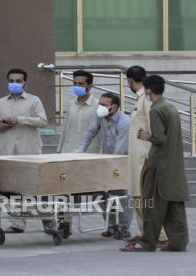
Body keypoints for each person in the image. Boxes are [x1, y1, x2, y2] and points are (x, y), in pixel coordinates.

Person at [122, 75, 189, 252]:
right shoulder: (171, 107)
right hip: (174, 164)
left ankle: (147, 242)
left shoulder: (156, 110)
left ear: (149, 90)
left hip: (159, 165)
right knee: (175, 206)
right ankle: (178, 242)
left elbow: (159, 139)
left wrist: (146, 136)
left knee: (151, 206)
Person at [0, 68, 48, 233]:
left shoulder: (34, 101)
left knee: (36, 188)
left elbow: (43, 122)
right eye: (11, 81)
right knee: (9, 188)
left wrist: (19, 119)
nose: (14, 84)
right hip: (7, 152)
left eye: (18, 81)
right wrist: (0, 125)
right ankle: (17, 222)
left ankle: (48, 221)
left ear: (25, 83)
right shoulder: (1, 102)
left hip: (29, 152)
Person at [78, 92, 132, 239]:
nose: (100, 107)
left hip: (121, 161)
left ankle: (124, 227)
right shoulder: (100, 116)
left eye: (104, 105)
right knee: (99, 194)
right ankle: (111, 225)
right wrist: (81, 149)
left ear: (114, 107)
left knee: (120, 196)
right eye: (99, 104)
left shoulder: (125, 122)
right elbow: (90, 132)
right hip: (106, 159)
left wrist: (110, 167)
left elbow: (119, 149)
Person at [125, 66, 168, 245]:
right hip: (138, 156)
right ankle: (146, 232)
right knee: (138, 196)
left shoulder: (146, 98)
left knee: (145, 197)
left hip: (145, 156)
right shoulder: (140, 98)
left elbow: (155, 127)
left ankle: (159, 235)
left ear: (129, 80)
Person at [57, 70, 100, 153]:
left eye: (80, 84)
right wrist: (60, 149)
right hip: (68, 151)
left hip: (90, 152)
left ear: (90, 86)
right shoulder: (70, 104)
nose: (76, 86)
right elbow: (66, 128)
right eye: (75, 83)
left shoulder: (98, 105)